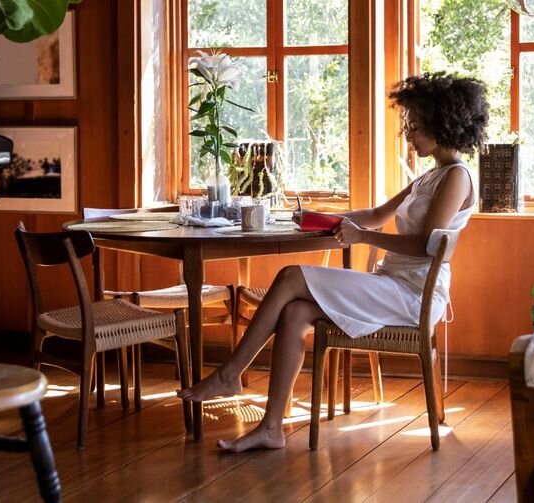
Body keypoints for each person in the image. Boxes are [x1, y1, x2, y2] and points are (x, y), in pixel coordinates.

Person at [178, 72, 487, 452]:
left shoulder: (456, 177)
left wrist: (361, 237)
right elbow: (374, 215)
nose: (409, 135)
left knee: (291, 276)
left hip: (414, 295)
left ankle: (230, 373)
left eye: (416, 127)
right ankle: (271, 428)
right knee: (294, 313)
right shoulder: (430, 176)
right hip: (391, 285)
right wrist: (319, 216)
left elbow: (425, 245)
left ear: (443, 125)